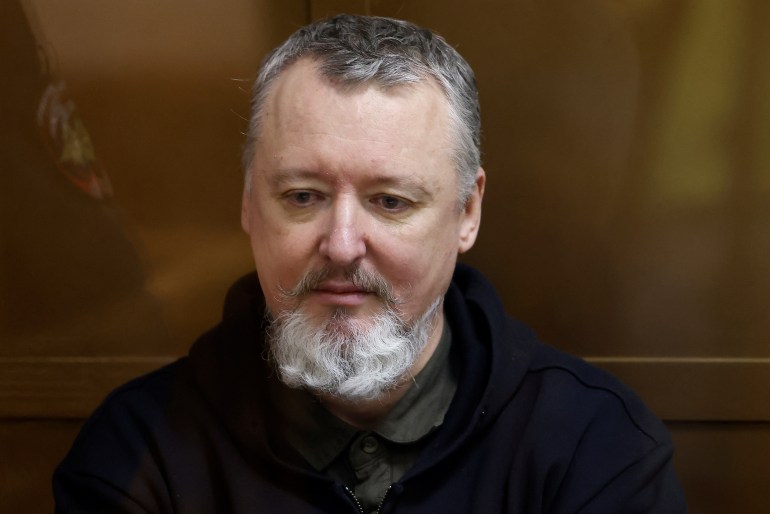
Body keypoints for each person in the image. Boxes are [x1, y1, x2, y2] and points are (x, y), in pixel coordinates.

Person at [53, 14, 687, 513]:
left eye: (390, 201)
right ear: (248, 204)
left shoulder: (596, 448)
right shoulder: (138, 455)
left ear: (468, 212)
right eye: (303, 196)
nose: (342, 243)